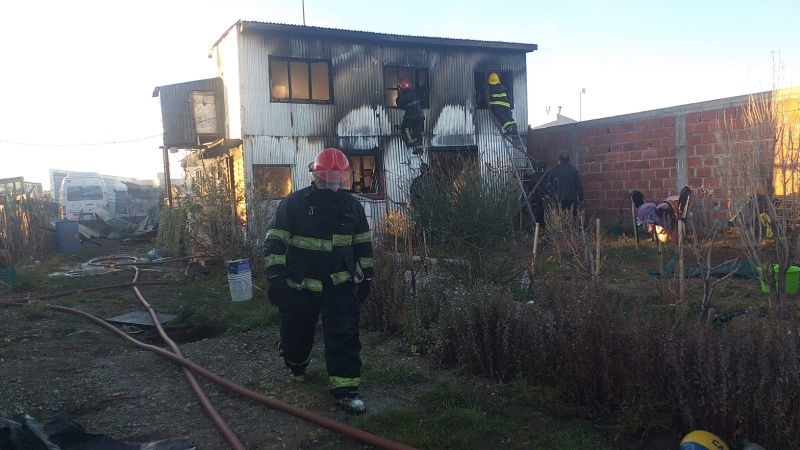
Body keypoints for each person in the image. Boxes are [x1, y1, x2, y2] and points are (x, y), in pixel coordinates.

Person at [263, 148, 374, 415]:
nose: (335, 184)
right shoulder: (295, 203)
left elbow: (363, 244)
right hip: (300, 286)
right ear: (318, 176)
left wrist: (368, 276)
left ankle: (347, 391)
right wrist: (276, 278)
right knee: (296, 336)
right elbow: (274, 243)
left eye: (340, 178)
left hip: (340, 285)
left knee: (344, 336)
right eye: (330, 178)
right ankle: (295, 363)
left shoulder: (352, 207)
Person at [546, 153, 584, 218]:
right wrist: (581, 198)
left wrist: (551, 198)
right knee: (572, 218)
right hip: (571, 199)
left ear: (559, 161)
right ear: (568, 160)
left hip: (558, 199)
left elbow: (549, 186)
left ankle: (561, 228)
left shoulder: (553, 171)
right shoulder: (573, 170)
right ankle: (572, 228)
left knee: (559, 218)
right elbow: (578, 185)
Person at [395, 79, 425, 155]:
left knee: (405, 127)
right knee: (417, 131)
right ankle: (419, 149)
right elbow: (421, 99)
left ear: (401, 88)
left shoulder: (403, 95)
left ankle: (410, 142)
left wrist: (398, 95)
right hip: (420, 116)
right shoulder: (414, 93)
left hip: (411, 116)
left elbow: (399, 104)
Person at [409, 163, 443, 230]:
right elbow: (412, 193)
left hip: (432, 205)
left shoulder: (433, 179)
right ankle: (427, 235)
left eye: (422, 169)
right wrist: (415, 204)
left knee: (432, 222)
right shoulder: (417, 180)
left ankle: (430, 235)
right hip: (424, 206)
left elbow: (441, 191)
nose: (422, 170)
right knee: (426, 222)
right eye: (421, 169)